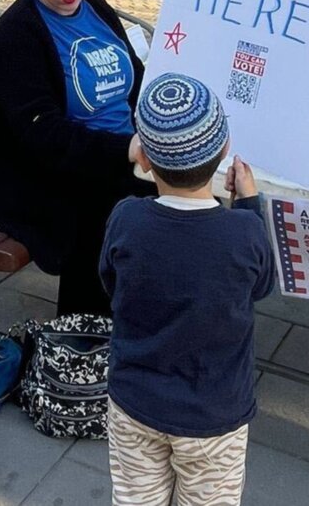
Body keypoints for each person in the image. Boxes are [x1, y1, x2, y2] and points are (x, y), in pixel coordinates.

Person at [99, 73, 274, 506]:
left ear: (144, 158)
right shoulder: (244, 233)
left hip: (134, 405)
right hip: (214, 416)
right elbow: (263, 285)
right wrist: (250, 204)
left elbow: (110, 281)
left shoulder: (126, 219)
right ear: (225, 148)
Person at [0, 0, 155, 316]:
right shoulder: (18, 34)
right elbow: (42, 134)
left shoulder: (96, 8)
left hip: (121, 156)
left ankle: (152, 325)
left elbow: (137, 78)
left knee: (188, 193)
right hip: (50, 175)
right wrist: (126, 150)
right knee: (131, 210)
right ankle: (87, 336)